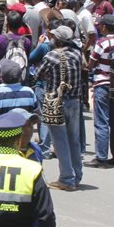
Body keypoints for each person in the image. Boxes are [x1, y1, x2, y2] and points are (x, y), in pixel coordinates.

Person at [37, 26, 84, 191]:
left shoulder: (52, 56)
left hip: (56, 101)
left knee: (59, 141)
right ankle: (76, 175)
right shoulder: (77, 54)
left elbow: (38, 74)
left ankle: (66, 178)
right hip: (74, 101)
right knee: (73, 140)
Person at [87, 14, 114, 168]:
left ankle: (101, 157)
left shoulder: (102, 42)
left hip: (102, 83)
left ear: (104, 27)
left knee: (101, 121)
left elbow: (91, 63)